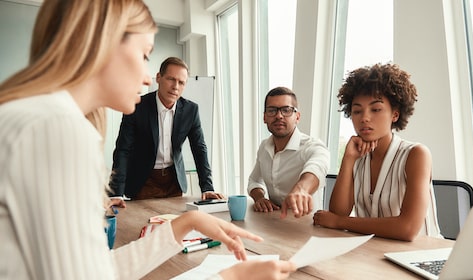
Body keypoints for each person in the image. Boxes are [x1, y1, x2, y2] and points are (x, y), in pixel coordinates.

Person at [0, 0, 296, 279]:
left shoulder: (36, 116)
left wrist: (186, 223)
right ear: (102, 42)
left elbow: (98, 270)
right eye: (143, 55)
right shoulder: (58, 129)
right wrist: (226, 276)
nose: (145, 77)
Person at [313, 63, 441, 241]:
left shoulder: (416, 154)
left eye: (376, 109)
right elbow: (338, 211)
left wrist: (341, 222)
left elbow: (408, 228)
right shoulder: (357, 156)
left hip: (421, 256)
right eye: (357, 111)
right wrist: (348, 159)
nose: (364, 118)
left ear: (395, 114)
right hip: (375, 253)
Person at [109, 56, 223, 207]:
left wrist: (207, 187)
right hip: (143, 181)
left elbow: (199, 149)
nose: (175, 86)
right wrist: (117, 192)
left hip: (174, 182)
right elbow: (123, 150)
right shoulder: (137, 107)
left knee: (174, 225)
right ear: (158, 78)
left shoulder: (191, 110)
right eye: (171, 79)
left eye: (181, 82)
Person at [247, 86, 330, 218]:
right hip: (273, 223)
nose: (279, 116)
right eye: (272, 110)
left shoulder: (313, 146)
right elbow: (254, 180)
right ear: (264, 117)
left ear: (297, 117)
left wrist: (301, 189)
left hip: (307, 227)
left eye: (286, 110)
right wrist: (260, 198)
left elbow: (317, 167)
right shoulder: (264, 147)